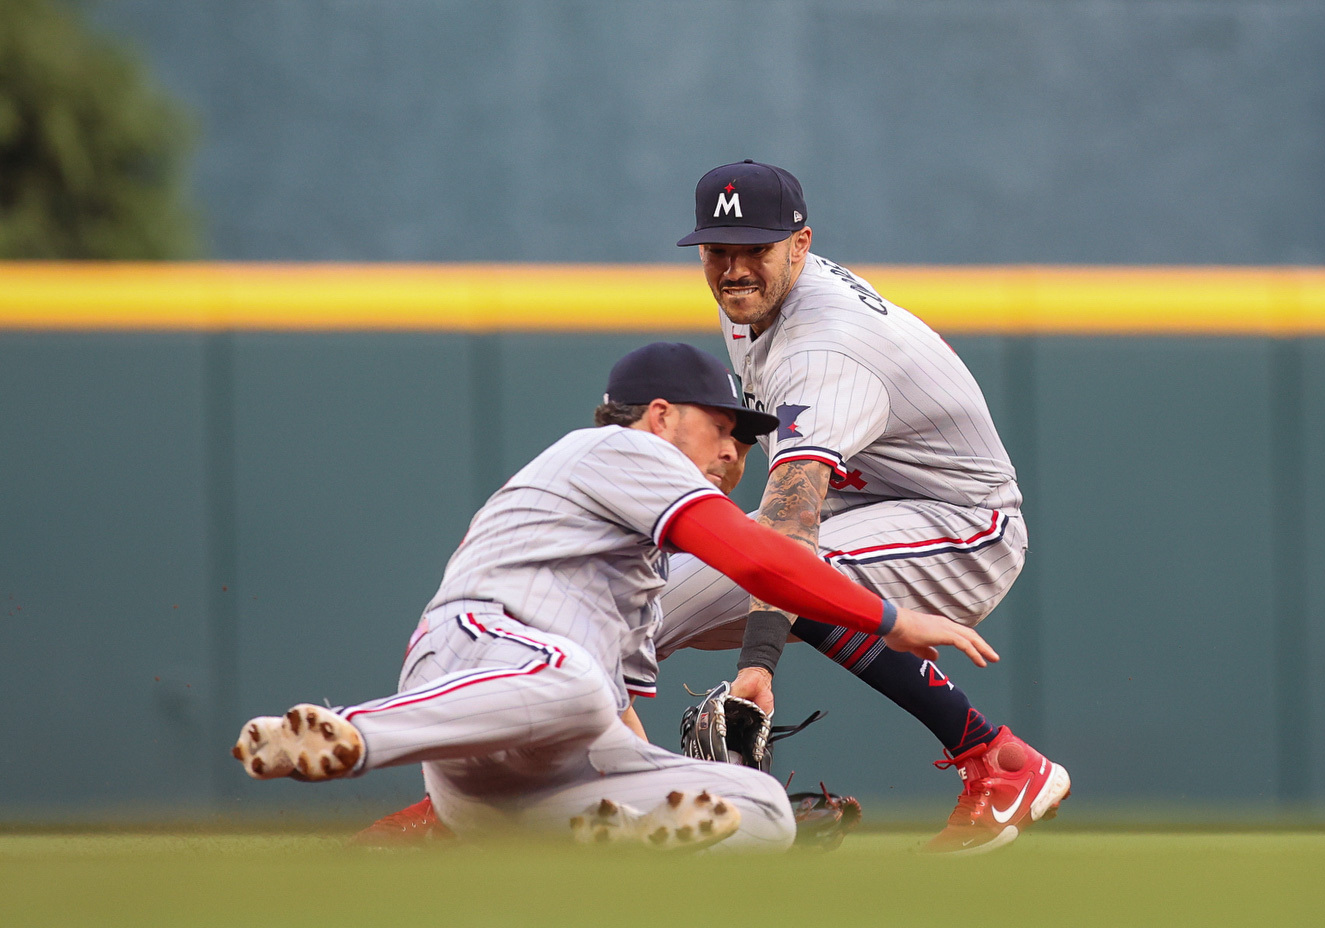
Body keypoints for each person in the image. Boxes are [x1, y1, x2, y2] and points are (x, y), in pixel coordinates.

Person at [234, 342, 999, 851]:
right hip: (477, 652)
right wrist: (887, 618)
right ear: (661, 416)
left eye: (744, 435)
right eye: (721, 426)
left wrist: (676, 781)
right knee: (572, 683)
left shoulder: (637, 572)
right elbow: (759, 560)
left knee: (757, 809)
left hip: (511, 787)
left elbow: (616, 727)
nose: (735, 449)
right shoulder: (618, 447)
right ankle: (350, 732)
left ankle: (619, 839)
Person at [649, 160, 1071, 854]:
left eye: (753, 248)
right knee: (644, 598)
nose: (732, 268)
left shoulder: (824, 345)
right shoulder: (753, 302)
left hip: (959, 525)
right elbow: (768, 444)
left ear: (800, 243)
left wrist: (759, 663)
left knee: (800, 573)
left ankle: (994, 762)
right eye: (718, 250)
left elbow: (790, 526)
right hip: (865, 503)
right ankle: (503, 797)